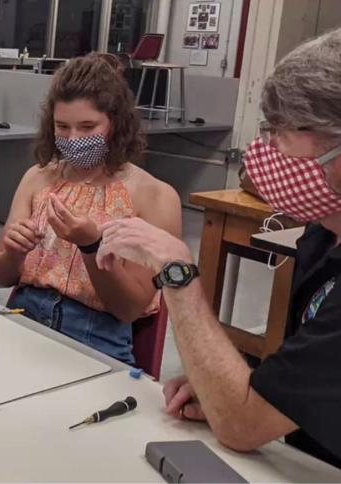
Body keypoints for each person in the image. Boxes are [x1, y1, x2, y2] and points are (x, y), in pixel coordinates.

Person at [96, 28, 341, 467]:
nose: (266, 149)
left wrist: (176, 271)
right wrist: (227, 386)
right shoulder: (323, 234)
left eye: (281, 133)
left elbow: (243, 426)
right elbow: (296, 381)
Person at [0, 53, 182, 364]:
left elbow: (129, 308)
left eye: (87, 126)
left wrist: (92, 248)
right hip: (25, 317)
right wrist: (14, 252)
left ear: (116, 124)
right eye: (62, 126)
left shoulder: (153, 196)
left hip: (98, 335)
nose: (73, 138)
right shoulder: (38, 178)